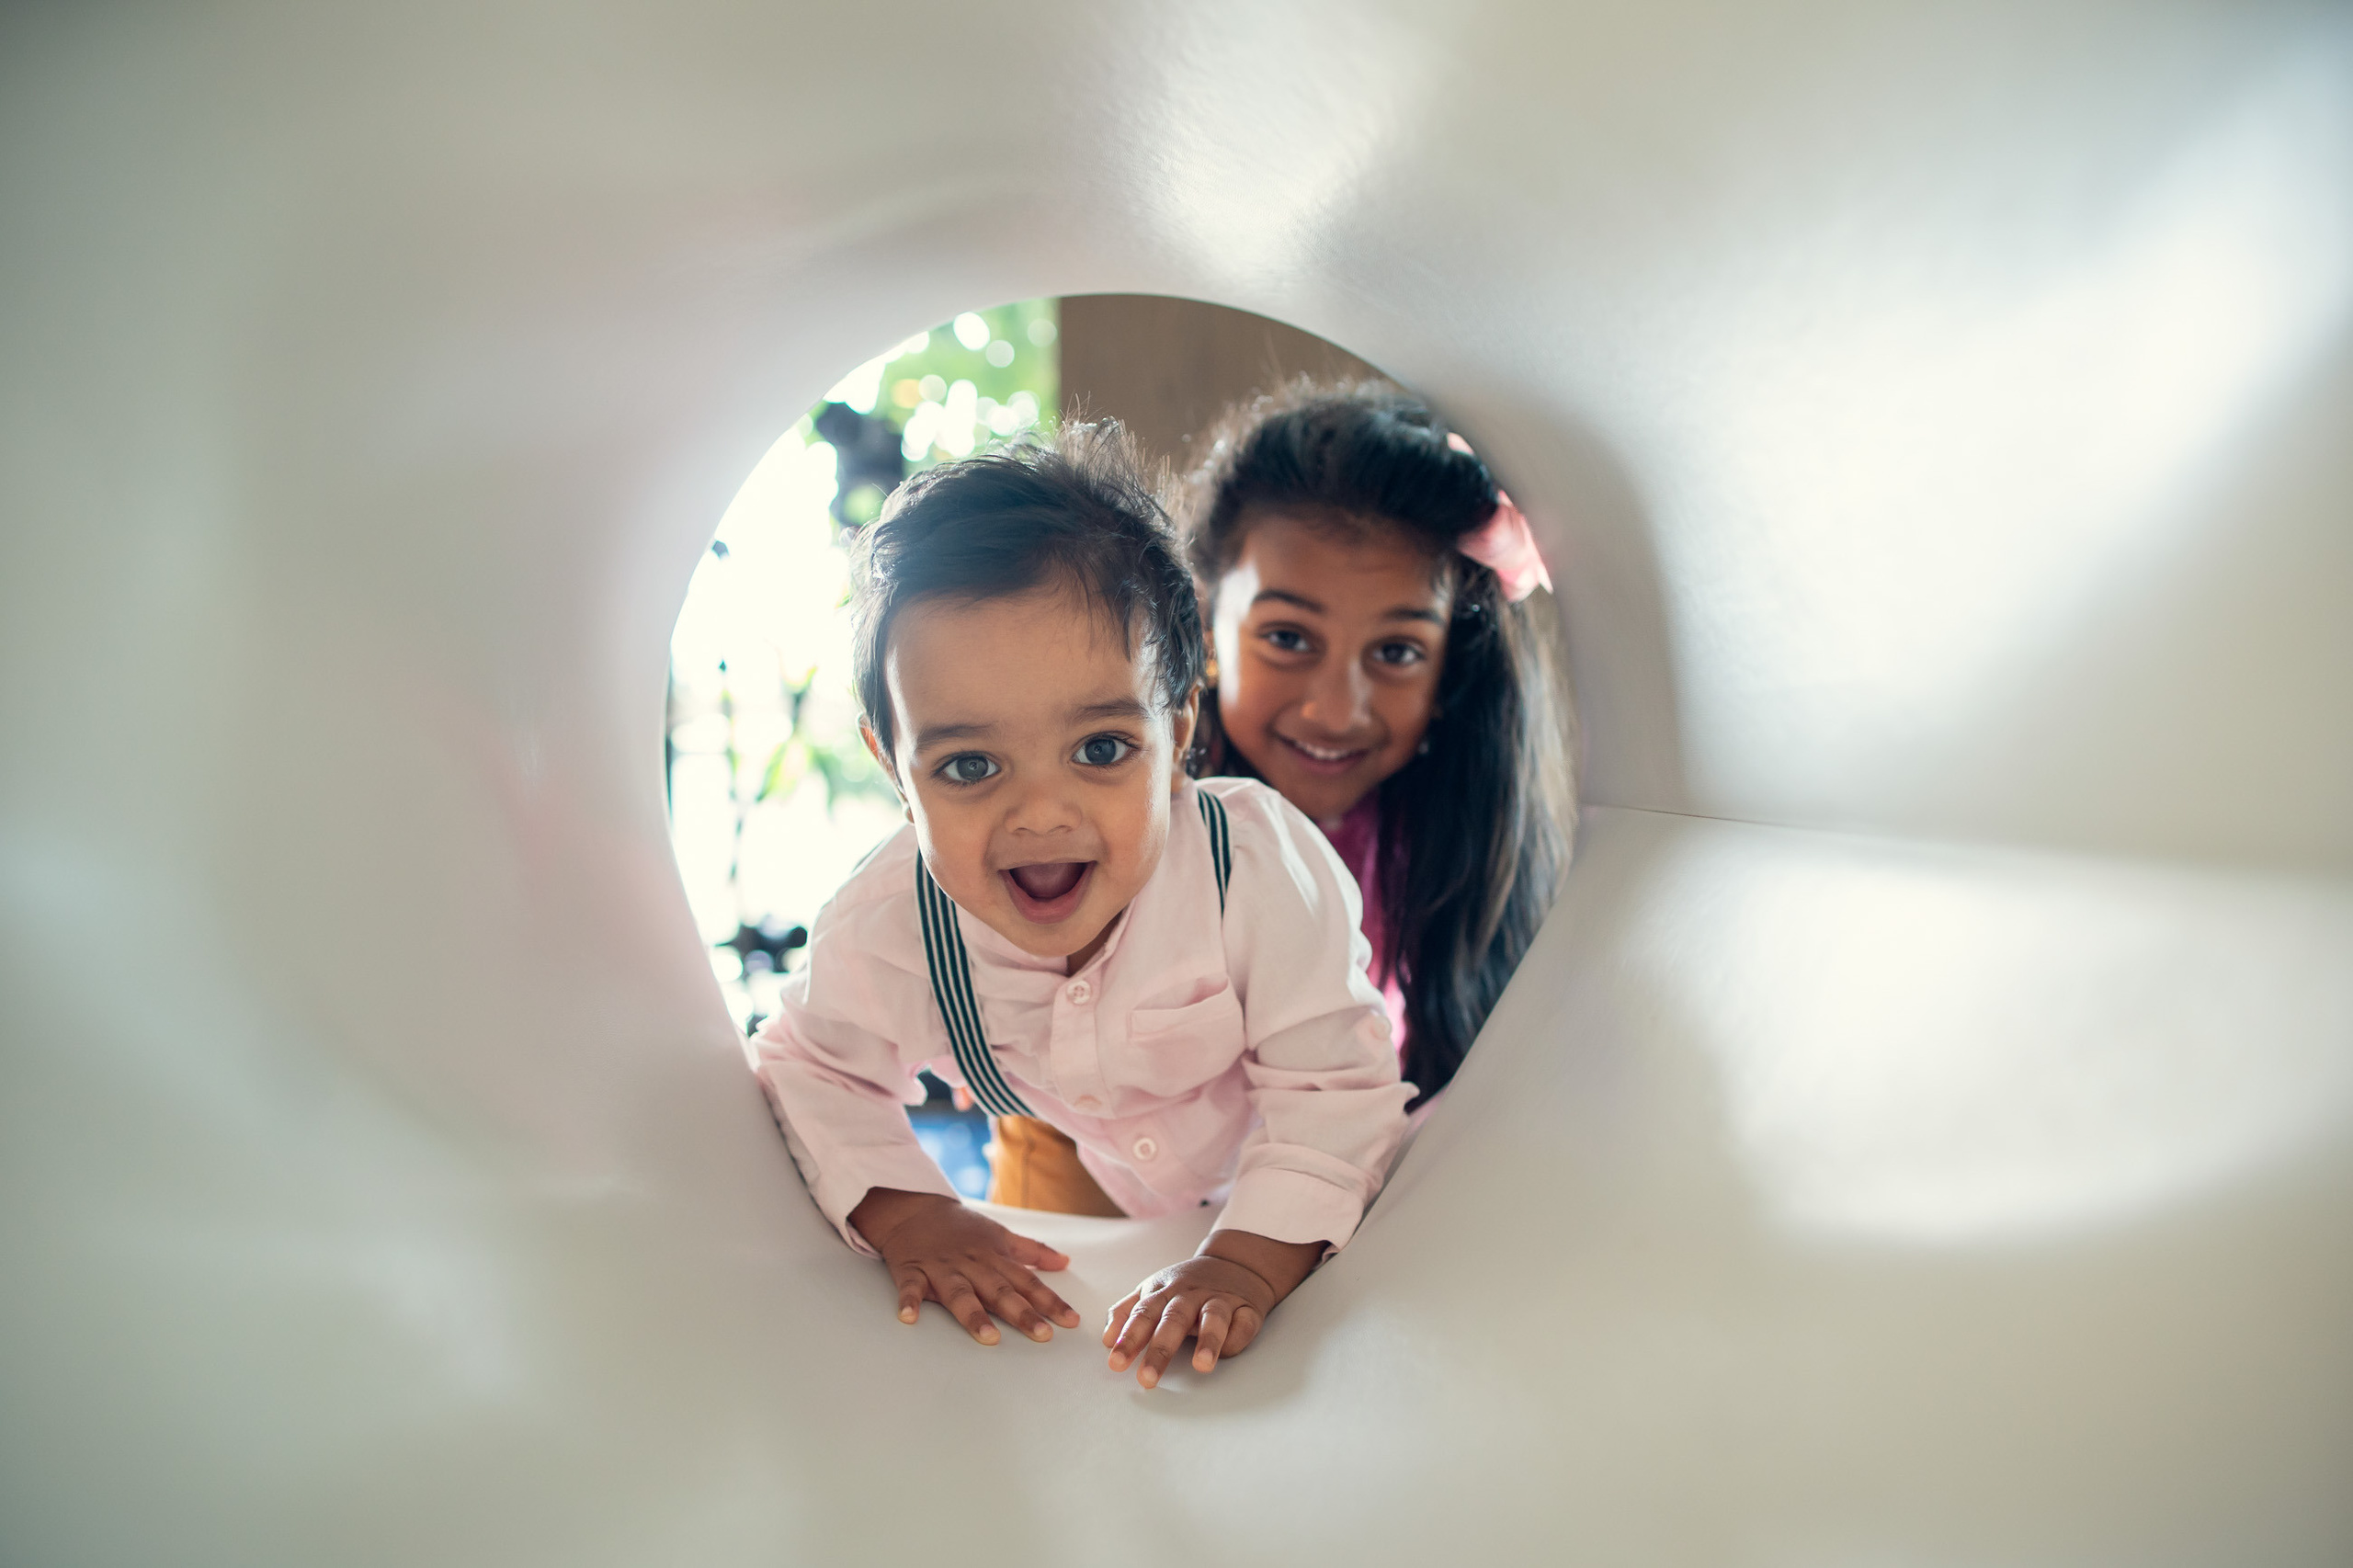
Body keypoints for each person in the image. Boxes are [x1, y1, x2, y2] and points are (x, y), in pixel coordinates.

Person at [750, 423, 1412, 1391]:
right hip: (1063, 1152)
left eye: (1101, 749)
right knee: (1042, 1352)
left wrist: (1243, 1263)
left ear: (1177, 733)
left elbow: (1331, 1093)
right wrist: (913, 1212)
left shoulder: (1253, 868)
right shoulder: (889, 921)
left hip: (1267, 1153)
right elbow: (808, 1066)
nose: (1041, 814)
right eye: (968, 766)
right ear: (894, 766)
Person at [987, 381, 1575, 1211]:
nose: (1335, 709)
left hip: (1315, 1201)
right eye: (1288, 637)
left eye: (1397, 652)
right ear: (1204, 621)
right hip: (1087, 1175)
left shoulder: (1453, 844)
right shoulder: (1113, 814)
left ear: (1451, 668)